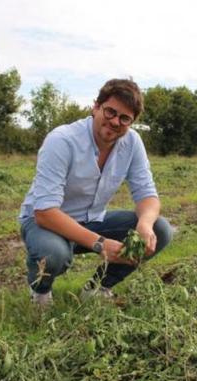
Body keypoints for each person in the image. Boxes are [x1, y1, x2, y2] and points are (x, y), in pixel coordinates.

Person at [18, 78, 173, 307]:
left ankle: (97, 288)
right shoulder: (62, 140)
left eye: (124, 118)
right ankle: (40, 292)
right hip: (46, 223)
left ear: (131, 122)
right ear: (96, 107)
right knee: (53, 254)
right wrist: (99, 243)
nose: (115, 122)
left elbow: (147, 194)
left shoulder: (132, 143)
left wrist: (145, 224)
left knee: (160, 229)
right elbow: (44, 212)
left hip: (92, 220)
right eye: (110, 112)